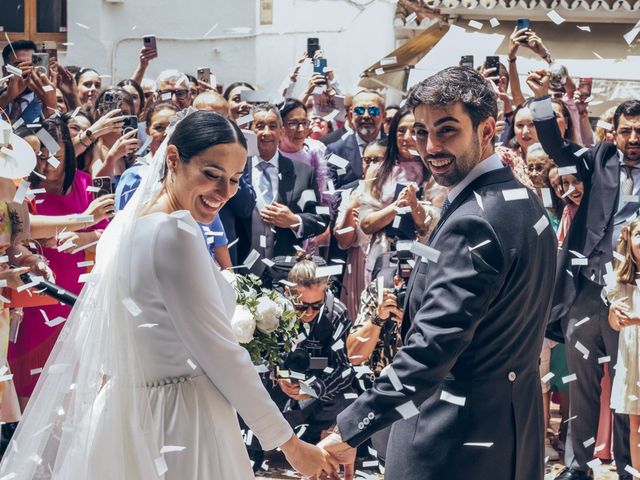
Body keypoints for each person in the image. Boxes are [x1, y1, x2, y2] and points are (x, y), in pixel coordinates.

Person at [0, 110, 338, 479]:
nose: (225, 192)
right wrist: (288, 443)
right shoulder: (176, 233)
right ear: (174, 159)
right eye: (212, 175)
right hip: (180, 423)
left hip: (122, 412)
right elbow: (221, 353)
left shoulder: (124, 226)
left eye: (235, 180)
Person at [318, 66, 557, 480]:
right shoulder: (524, 199)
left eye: (446, 130)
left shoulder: (474, 221)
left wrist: (350, 428)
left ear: (487, 130)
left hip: (450, 443)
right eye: (421, 132)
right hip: (515, 434)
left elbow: (433, 348)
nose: (430, 147)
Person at [528, 70, 638, 480]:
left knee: (628, 386)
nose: (633, 139)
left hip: (634, 296)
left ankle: (628, 467)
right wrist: (541, 99)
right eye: (626, 131)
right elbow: (555, 147)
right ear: (615, 132)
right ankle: (579, 467)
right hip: (587, 287)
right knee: (581, 382)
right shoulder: (600, 158)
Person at [8, 118, 112, 412]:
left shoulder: (84, 182)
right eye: (38, 158)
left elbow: (109, 232)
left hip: (78, 299)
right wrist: (80, 221)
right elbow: (23, 226)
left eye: (53, 155)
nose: (46, 165)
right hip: (35, 304)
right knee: (32, 399)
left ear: (68, 151)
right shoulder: (21, 185)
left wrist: (85, 237)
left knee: (78, 396)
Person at [236, 103, 329, 276]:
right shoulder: (238, 169)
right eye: (259, 126)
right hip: (243, 270)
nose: (266, 132)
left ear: (281, 131)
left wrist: (294, 220)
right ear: (250, 130)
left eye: (272, 126)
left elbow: (321, 218)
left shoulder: (302, 172)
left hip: (285, 273)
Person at [272, 254, 354, 443]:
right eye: (301, 305)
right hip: (280, 388)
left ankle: (311, 438)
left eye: (317, 305)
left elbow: (345, 369)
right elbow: (257, 359)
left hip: (317, 387)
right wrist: (277, 375)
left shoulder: (336, 313)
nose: (309, 312)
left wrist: (316, 388)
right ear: (287, 291)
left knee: (346, 398)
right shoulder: (272, 311)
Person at [334, 139, 386, 321]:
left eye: (377, 160)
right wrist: (351, 207)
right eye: (367, 160)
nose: (371, 165)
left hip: (386, 263)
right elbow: (343, 241)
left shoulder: (395, 190)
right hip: (357, 264)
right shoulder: (352, 192)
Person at [607, 218, 640, 477]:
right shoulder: (621, 279)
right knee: (635, 424)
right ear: (628, 241)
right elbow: (615, 324)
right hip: (633, 362)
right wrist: (615, 315)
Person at [326, 90, 385, 189]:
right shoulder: (336, 151)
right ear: (350, 116)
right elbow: (331, 194)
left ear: (384, 116)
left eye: (373, 111)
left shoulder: (394, 147)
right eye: (359, 111)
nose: (366, 115)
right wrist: (365, 183)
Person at [0, 40, 57, 123]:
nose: (26, 71)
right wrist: (6, 97)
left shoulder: (46, 99)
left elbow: (55, 133)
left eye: (31, 65)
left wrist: (49, 105)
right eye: (19, 66)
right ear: (5, 70)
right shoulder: (2, 97)